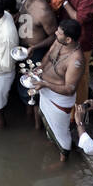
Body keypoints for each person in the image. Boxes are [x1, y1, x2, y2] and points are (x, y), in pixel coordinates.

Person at [30, 19, 84, 157]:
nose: (55, 33)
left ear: (69, 39)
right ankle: (53, 141)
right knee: (50, 126)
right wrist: (39, 69)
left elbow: (69, 89)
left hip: (59, 100)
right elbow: (48, 56)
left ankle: (64, 156)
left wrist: (45, 84)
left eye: (59, 33)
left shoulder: (76, 61)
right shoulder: (59, 41)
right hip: (45, 90)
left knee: (62, 135)